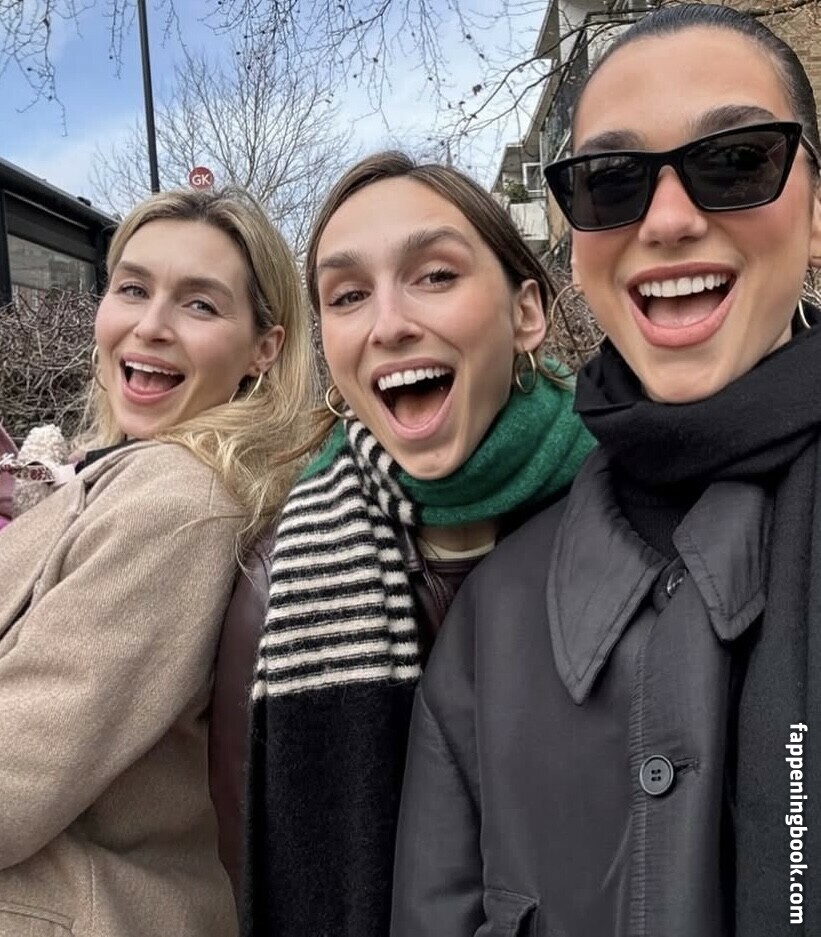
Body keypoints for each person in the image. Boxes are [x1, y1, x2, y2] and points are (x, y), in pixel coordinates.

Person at [390, 5, 821, 936]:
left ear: (816, 214)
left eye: (735, 161)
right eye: (611, 181)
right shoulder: (493, 615)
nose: (667, 220)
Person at [243, 152, 596, 937]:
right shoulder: (275, 581)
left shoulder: (649, 513)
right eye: (347, 295)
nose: (389, 323)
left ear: (526, 312)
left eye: (435, 275)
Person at [0, 186, 313, 937]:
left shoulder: (177, 502)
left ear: (264, 349)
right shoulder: (138, 472)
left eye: (199, 304)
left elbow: (13, 781)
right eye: (133, 289)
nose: (150, 325)